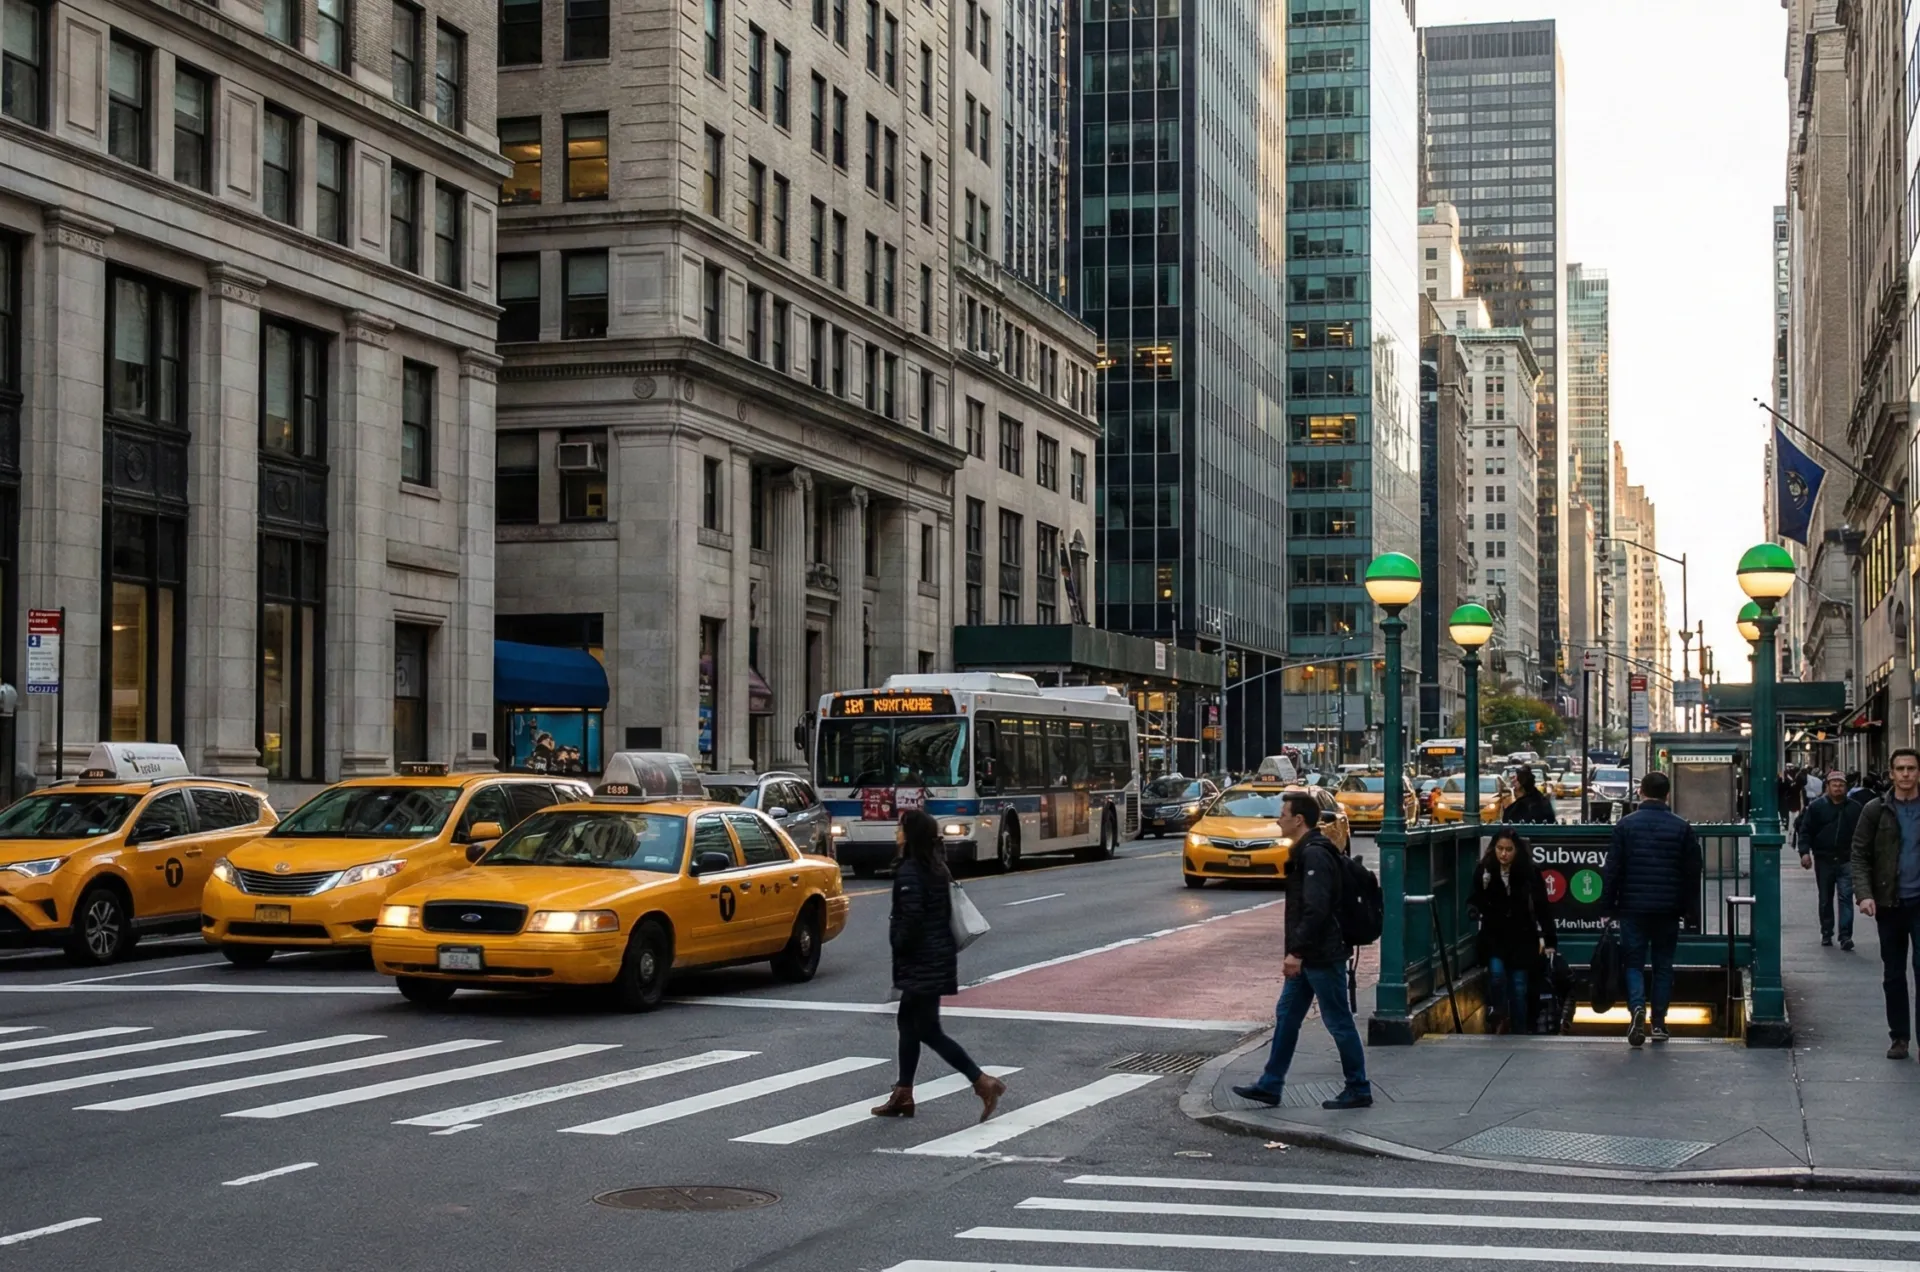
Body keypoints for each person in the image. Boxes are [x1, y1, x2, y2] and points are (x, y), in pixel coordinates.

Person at [1231, 792, 1371, 1110]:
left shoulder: (1315, 855)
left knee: (1338, 1021)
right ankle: (1271, 1084)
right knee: (1287, 1016)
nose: (1278, 819)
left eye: (1283, 814)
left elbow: (1316, 909)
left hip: (1321, 955)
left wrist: (1296, 952)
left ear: (1298, 820)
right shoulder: (1308, 851)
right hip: (1311, 954)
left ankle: (1359, 1086)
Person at [870, 808, 1006, 1120]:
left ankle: (982, 1082)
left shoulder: (910, 872)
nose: (896, 833)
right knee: (908, 1023)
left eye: (900, 828)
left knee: (928, 1030)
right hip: (934, 960)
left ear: (911, 835)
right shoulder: (935, 867)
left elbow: (912, 920)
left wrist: (898, 942)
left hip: (921, 963)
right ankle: (903, 1093)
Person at [1601, 771, 1703, 1047]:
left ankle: (1637, 1009)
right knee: (1663, 964)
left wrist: (1607, 905)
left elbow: (1613, 869)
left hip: (1633, 906)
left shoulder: (1625, 825)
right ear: (1667, 794)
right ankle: (1659, 1022)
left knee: (1633, 962)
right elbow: (1693, 872)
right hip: (1668, 907)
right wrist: (1690, 908)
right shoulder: (1682, 827)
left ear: (1641, 792)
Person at [1850, 748, 1920, 1061]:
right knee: (1893, 974)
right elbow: (1860, 854)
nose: (1906, 774)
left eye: (1912, 769)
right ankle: (1900, 1038)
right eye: (1900, 769)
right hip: (1889, 904)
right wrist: (1864, 894)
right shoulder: (1875, 810)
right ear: (1891, 774)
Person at [1469, 828, 1557, 1033]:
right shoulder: (1485, 870)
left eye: (1509, 849)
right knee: (1497, 975)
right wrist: (1474, 907)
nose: (1504, 854)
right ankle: (1500, 1014)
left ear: (1517, 850)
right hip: (1495, 935)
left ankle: (1519, 1029)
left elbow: (1542, 907)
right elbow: (1474, 898)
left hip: (1522, 937)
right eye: (1500, 848)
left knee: (1519, 987)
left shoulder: (1529, 872)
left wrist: (1550, 941)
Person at [1798, 770, 1861, 950]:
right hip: (1824, 858)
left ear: (1846, 787)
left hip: (1846, 858)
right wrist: (1804, 852)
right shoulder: (1817, 807)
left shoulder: (1854, 808)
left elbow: (1862, 833)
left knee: (1846, 897)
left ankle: (1845, 935)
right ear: (1828, 787)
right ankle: (1827, 932)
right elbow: (1806, 830)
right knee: (1825, 898)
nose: (1838, 788)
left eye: (1841, 785)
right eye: (1834, 784)